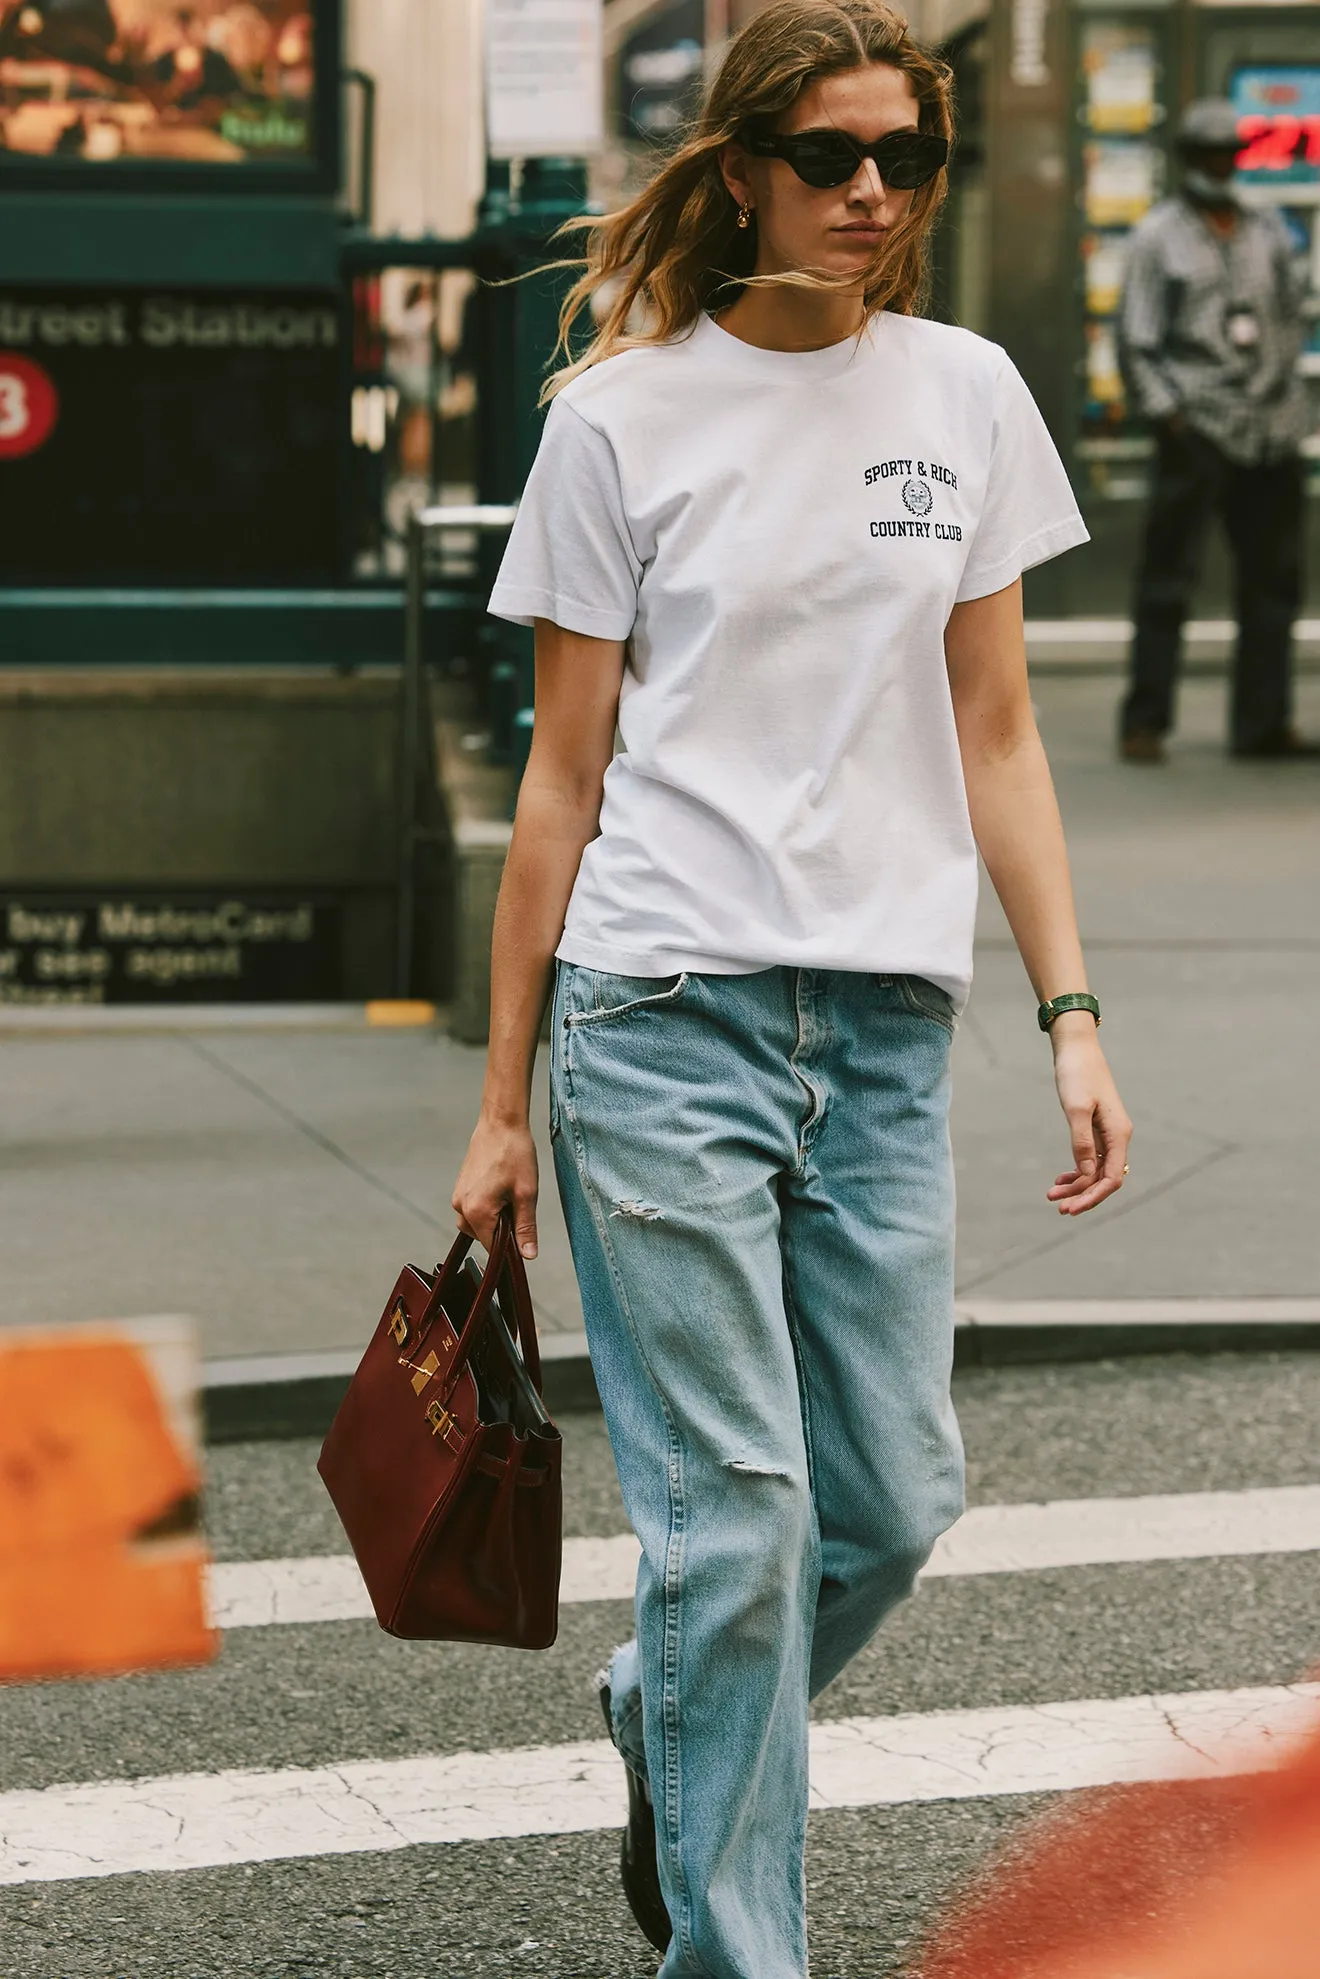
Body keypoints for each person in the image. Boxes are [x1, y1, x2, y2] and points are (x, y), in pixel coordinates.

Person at [453, 5, 1133, 1974]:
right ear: (740, 164)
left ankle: (669, 1707)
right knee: (736, 1520)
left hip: (890, 1022)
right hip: (662, 1007)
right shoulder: (618, 419)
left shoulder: (970, 391)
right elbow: (557, 785)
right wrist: (504, 1105)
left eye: (903, 160)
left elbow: (998, 731)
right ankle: (740, 1951)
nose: (867, 195)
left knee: (897, 1493)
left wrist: (1071, 1013)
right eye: (829, 157)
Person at [1118, 97, 1316, 763]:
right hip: (1197, 426)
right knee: (1168, 578)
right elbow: (1137, 339)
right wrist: (1169, 414)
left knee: (1273, 583)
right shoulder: (1157, 236)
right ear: (1186, 161)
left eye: (1227, 156)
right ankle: (1145, 720)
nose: (1218, 167)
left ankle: (1263, 723)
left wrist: (1292, 401)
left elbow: (1291, 312)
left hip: (1270, 428)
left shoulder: (1266, 229)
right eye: (1206, 156)